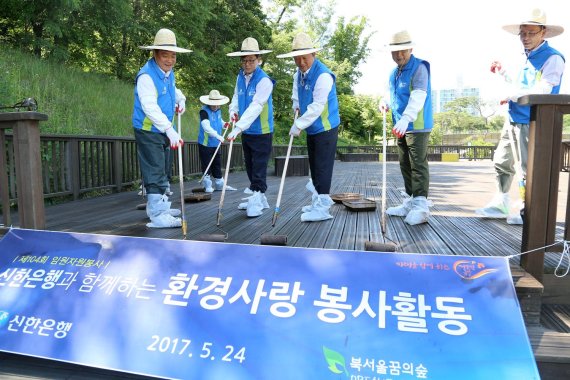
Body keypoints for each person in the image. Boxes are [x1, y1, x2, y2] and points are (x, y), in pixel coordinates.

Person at [476, 9, 565, 224]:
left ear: (543, 32)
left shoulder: (553, 58)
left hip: (534, 120)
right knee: (502, 161)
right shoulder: (525, 57)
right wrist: (502, 72)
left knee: (528, 167)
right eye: (522, 33)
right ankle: (502, 200)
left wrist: (510, 94)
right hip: (514, 118)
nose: (525, 38)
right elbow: (518, 85)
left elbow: (542, 90)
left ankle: (530, 209)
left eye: (531, 33)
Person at [276, 32, 340, 222]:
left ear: (314, 55)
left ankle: (322, 208)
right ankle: (318, 200)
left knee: (322, 167)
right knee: (314, 165)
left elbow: (317, 106)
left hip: (326, 127)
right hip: (313, 128)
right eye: (297, 58)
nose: (301, 61)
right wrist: (296, 104)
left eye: (305, 57)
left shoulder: (323, 75)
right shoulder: (299, 73)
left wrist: (299, 124)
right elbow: (297, 92)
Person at [132, 28, 191, 228]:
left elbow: (172, 90)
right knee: (155, 168)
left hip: (163, 130)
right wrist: (169, 129)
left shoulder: (167, 72)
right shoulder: (146, 76)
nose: (170, 60)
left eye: (173, 55)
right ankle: (157, 214)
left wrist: (180, 99)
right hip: (148, 130)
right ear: (155, 54)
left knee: (164, 167)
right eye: (165, 55)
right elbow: (149, 107)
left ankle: (159, 204)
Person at [382, 30, 433, 226]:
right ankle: (411, 200)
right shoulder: (394, 73)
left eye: (402, 51)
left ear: (410, 49)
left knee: (417, 164)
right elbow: (392, 95)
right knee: (405, 163)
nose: (399, 55)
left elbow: (419, 95)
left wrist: (406, 118)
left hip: (416, 125)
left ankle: (421, 205)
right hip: (400, 125)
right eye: (395, 52)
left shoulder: (419, 67)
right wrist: (384, 102)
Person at [226, 37, 275, 217]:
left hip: (262, 130)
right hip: (246, 130)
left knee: (259, 166)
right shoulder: (240, 77)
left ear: (258, 60)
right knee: (250, 165)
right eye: (245, 60)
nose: (247, 64)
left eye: (251, 60)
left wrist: (237, 127)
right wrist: (233, 111)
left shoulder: (264, 81)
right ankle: (258, 195)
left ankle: (257, 197)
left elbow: (256, 106)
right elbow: (237, 97)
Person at [197, 89, 236, 192]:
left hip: (215, 144)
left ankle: (220, 185)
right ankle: (207, 185)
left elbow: (219, 120)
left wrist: (224, 124)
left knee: (217, 164)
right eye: (213, 104)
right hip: (205, 143)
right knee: (207, 164)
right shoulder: (204, 111)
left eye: (217, 104)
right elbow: (206, 127)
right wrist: (218, 136)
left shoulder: (218, 110)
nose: (215, 106)